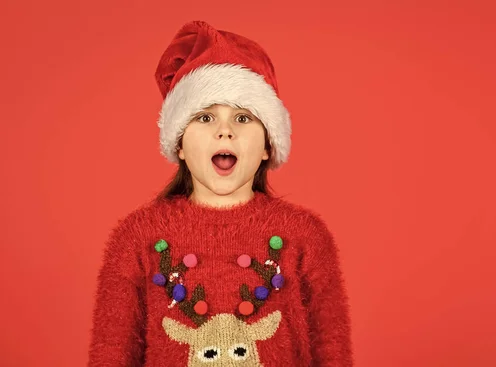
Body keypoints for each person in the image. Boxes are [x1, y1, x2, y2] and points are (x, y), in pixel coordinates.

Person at [87, 20, 353, 367]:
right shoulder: (136, 238)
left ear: (266, 146)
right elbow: (111, 353)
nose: (225, 132)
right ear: (179, 144)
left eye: (243, 118)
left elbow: (333, 351)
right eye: (205, 118)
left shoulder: (305, 236)